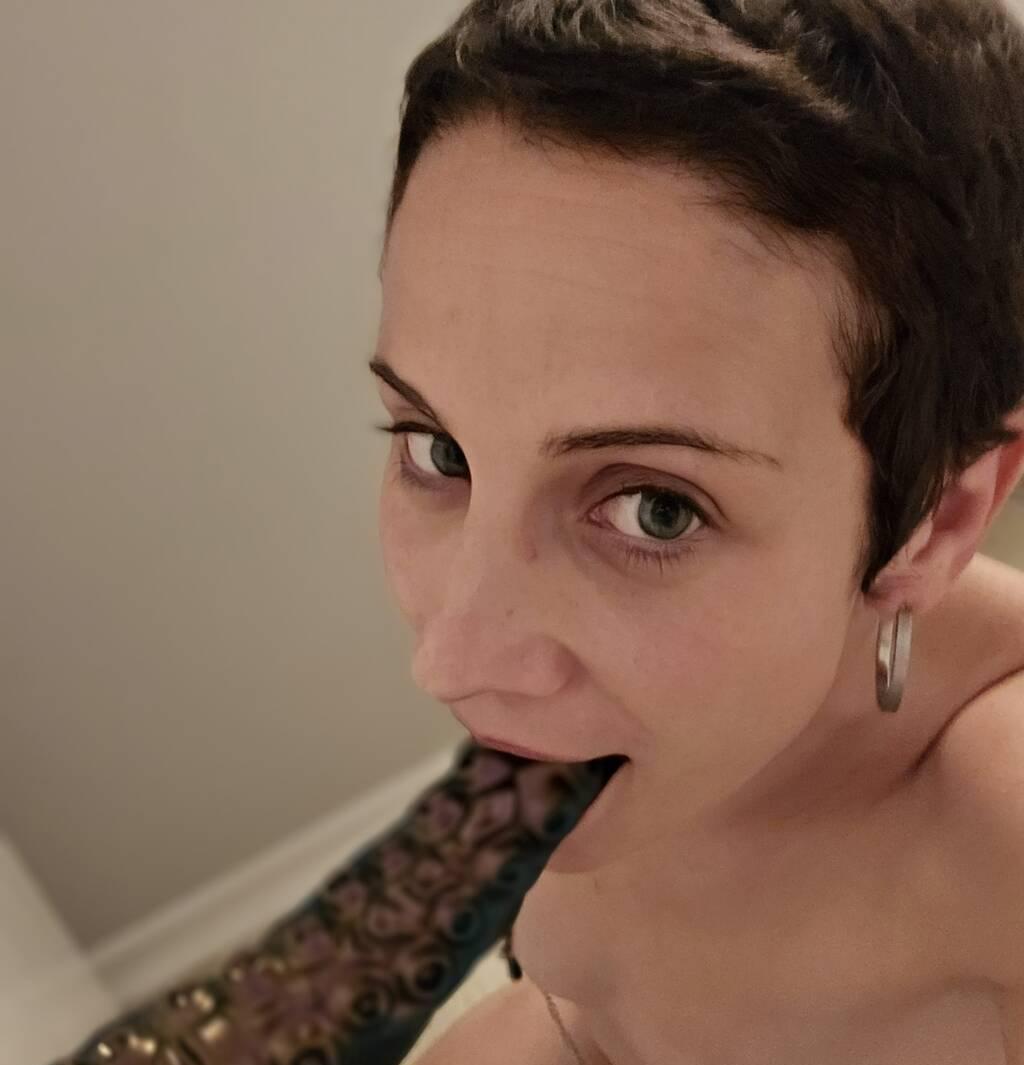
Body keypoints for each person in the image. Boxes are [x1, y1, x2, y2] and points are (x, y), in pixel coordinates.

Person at [373, 0, 1024, 1062]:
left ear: (932, 521)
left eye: (654, 508)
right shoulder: (579, 715)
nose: (450, 659)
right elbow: (587, 1019)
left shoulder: (1003, 818)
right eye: (438, 450)